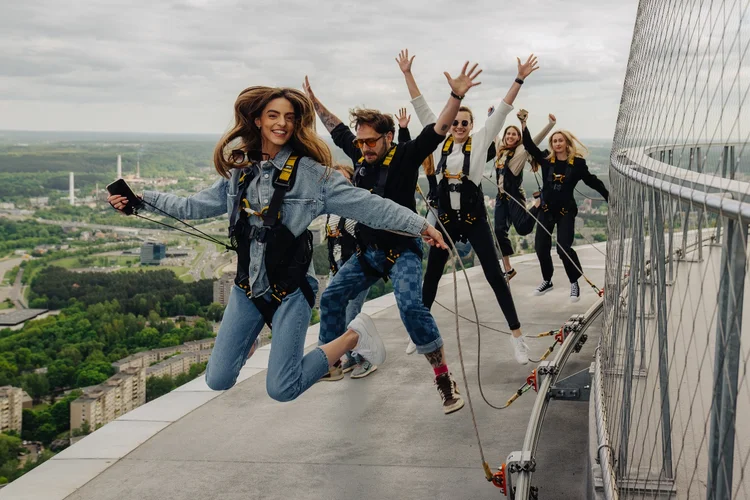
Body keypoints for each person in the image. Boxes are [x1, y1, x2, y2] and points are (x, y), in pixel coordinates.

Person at [107, 86, 447, 403]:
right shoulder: (241, 172)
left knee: (283, 388)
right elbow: (191, 207)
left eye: (288, 117)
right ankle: (250, 338)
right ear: (258, 120)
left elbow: (370, 206)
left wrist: (419, 226)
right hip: (247, 288)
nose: (281, 123)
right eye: (273, 115)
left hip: (290, 291)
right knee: (218, 379)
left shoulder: (312, 176)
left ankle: (354, 336)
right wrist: (139, 201)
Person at [304, 60, 481, 415]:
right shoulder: (359, 152)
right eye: (361, 141)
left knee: (411, 306)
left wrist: (455, 95)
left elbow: (439, 129)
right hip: (369, 251)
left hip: (402, 251)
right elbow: (336, 128)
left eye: (371, 141)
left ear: (387, 137)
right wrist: (313, 102)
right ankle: (333, 362)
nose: (365, 148)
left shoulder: (405, 156)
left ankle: (443, 377)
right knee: (332, 298)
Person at [396, 49, 538, 365]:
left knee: (494, 276)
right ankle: (418, 333)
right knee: (430, 277)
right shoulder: (441, 139)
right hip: (446, 219)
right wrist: (407, 73)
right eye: (456, 121)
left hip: (473, 219)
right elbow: (421, 108)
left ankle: (517, 336)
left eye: (464, 122)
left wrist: (519, 78)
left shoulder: (482, 139)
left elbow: (502, 110)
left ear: (472, 125)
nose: (458, 125)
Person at [520, 114, 609, 302]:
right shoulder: (546, 159)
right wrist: (523, 124)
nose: (557, 144)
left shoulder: (577, 164)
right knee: (541, 248)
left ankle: (574, 282)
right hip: (546, 210)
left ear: (567, 143)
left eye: (560, 140)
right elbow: (529, 146)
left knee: (563, 248)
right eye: (554, 141)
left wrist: (608, 197)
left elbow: (592, 181)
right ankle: (547, 280)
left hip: (565, 212)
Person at [323, 164, 376, 380]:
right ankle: (353, 358)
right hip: (339, 269)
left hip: (357, 269)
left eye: (343, 178)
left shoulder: (356, 206)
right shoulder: (332, 209)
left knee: (350, 316)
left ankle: (366, 359)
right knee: (343, 315)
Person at [493, 112, 556, 280]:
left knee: (523, 228)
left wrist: (550, 125)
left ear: (518, 137)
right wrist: (492, 115)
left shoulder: (521, 151)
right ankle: (507, 269)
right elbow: (494, 132)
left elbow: (534, 140)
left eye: (514, 134)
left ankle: (537, 204)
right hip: (501, 198)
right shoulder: (500, 149)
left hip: (514, 195)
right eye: (508, 134)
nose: (510, 136)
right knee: (498, 231)